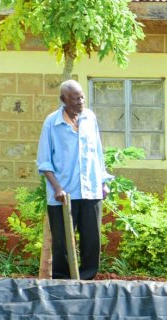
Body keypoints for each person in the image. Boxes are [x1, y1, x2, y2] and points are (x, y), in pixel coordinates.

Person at [36, 80, 112, 280]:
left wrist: (103, 181)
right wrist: (57, 188)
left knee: (91, 240)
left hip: (90, 190)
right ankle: (63, 282)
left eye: (82, 97)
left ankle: (87, 280)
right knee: (62, 242)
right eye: (75, 98)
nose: (81, 101)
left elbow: (98, 152)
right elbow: (44, 162)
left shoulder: (90, 118)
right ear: (63, 100)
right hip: (63, 194)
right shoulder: (52, 123)